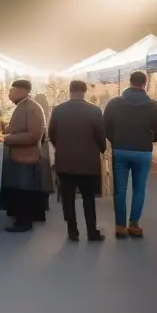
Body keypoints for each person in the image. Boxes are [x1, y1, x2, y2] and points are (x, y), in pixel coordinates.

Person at [103, 70, 157, 238]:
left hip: (120, 149)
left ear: (129, 82)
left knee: (120, 190)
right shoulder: (154, 105)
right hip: (143, 151)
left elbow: (105, 125)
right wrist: (148, 140)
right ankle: (134, 224)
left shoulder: (114, 103)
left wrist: (115, 139)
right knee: (139, 189)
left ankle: (120, 226)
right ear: (145, 84)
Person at [47, 81, 106, 242]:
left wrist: (61, 147)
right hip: (88, 163)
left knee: (68, 198)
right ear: (85, 91)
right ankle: (92, 232)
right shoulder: (95, 110)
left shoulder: (58, 110)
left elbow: (51, 134)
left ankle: (72, 232)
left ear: (70, 90)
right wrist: (101, 148)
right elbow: (101, 135)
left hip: (65, 162)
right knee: (88, 198)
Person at [0, 79, 47, 232]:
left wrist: (7, 138)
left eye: (12, 91)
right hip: (19, 156)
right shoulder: (22, 106)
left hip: (27, 157)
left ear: (22, 91)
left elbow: (34, 135)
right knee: (20, 189)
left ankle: (24, 222)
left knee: (24, 190)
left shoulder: (33, 108)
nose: (9, 94)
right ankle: (20, 217)